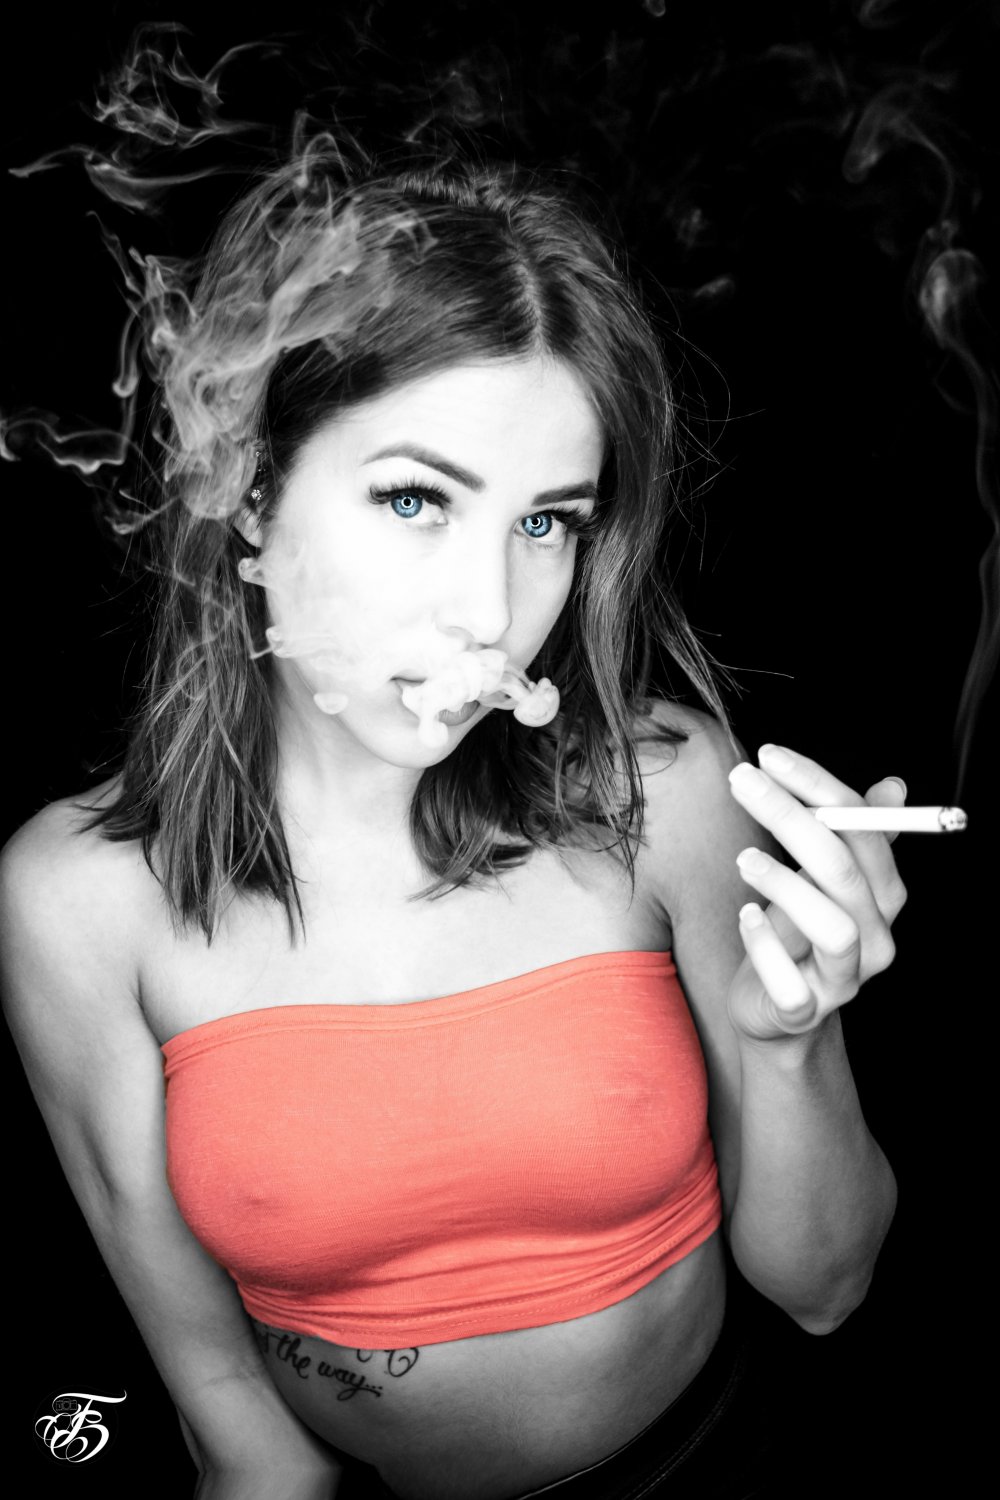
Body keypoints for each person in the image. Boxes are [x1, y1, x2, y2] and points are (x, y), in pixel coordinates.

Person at [1, 146, 905, 1500]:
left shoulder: (658, 791)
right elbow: (233, 1421)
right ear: (250, 496)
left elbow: (827, 1289)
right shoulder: (79, 899)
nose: (490, 610)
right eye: (416, 499)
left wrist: (792, 1043)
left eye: (548, 523)